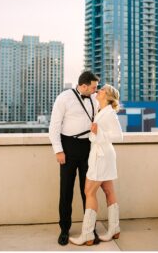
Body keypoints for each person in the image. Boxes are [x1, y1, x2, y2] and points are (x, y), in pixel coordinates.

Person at [49, 71, 100, 246]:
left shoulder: (94, 99)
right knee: (66, 191)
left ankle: (90, 229)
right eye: (93, 87)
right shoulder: (64, 98)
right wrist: (58, 150)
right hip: (68, 148)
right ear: (84, 85)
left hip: (89, 148)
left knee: (89, 191)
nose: (95, 90)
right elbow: (54, 126)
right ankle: (64, 229)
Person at [69, 84, 123, 246]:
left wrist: (98, 132)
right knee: (108, 190)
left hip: (102, 156)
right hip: (102, 155)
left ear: (107, 96)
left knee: (89, 191)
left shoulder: (110, 114)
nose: (98, 91)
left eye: (101, 90)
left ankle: (87, 234)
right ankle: (114, 228)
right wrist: (96, 132)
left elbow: (119, 136)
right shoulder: (101, 111)